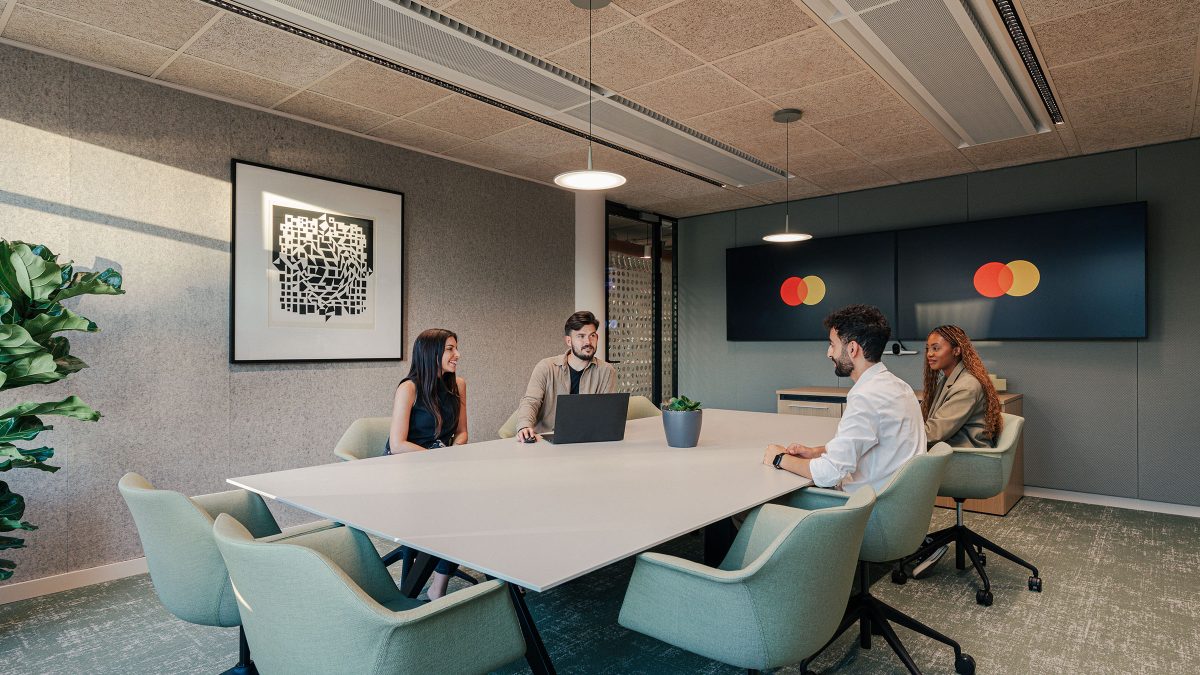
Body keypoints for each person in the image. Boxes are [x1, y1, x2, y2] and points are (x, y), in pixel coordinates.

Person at [763, 304, 926, 493]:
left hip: (860, 510)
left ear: (852, 348)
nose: (829, 353)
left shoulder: (866, 396)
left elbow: (829, 473)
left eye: (833, 345)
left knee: (755, 506)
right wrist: (815, 452)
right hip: (896, 504)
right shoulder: (899, 387)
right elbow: (866, 443)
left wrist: (780, 458)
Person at [909, 324, 1004, 577]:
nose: (930, 353)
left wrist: (898, 439)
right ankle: (915, 540)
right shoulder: (950, 379)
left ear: (957, 350)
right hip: (958, 453)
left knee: (901, 471)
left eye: (936, 348)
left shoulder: (966, 386)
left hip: (967, 460)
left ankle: (922, 544)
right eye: (928, 348)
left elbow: (935, 431)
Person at [385, 328, 468, 600]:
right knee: (454, 510)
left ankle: (438, 586)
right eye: (450, 349)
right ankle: (423, 585)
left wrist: (452, 454)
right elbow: (397, 444)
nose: (457, 355)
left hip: (440, 465)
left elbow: (463, 433)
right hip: (407, 466)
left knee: (471, 506)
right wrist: (439, 460)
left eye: (456, 348)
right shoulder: (409, 388)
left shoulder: (459, 385)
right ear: (431, 353)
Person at [514, 311, 617, 442]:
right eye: (581, 336)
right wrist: (524, 426)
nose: (588, 342)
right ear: (569, 341)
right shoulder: (546, 367)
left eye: (592, 336)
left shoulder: (607, 371)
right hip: (546, 440)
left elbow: (606, 413)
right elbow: (531, 401)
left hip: (588, 441)